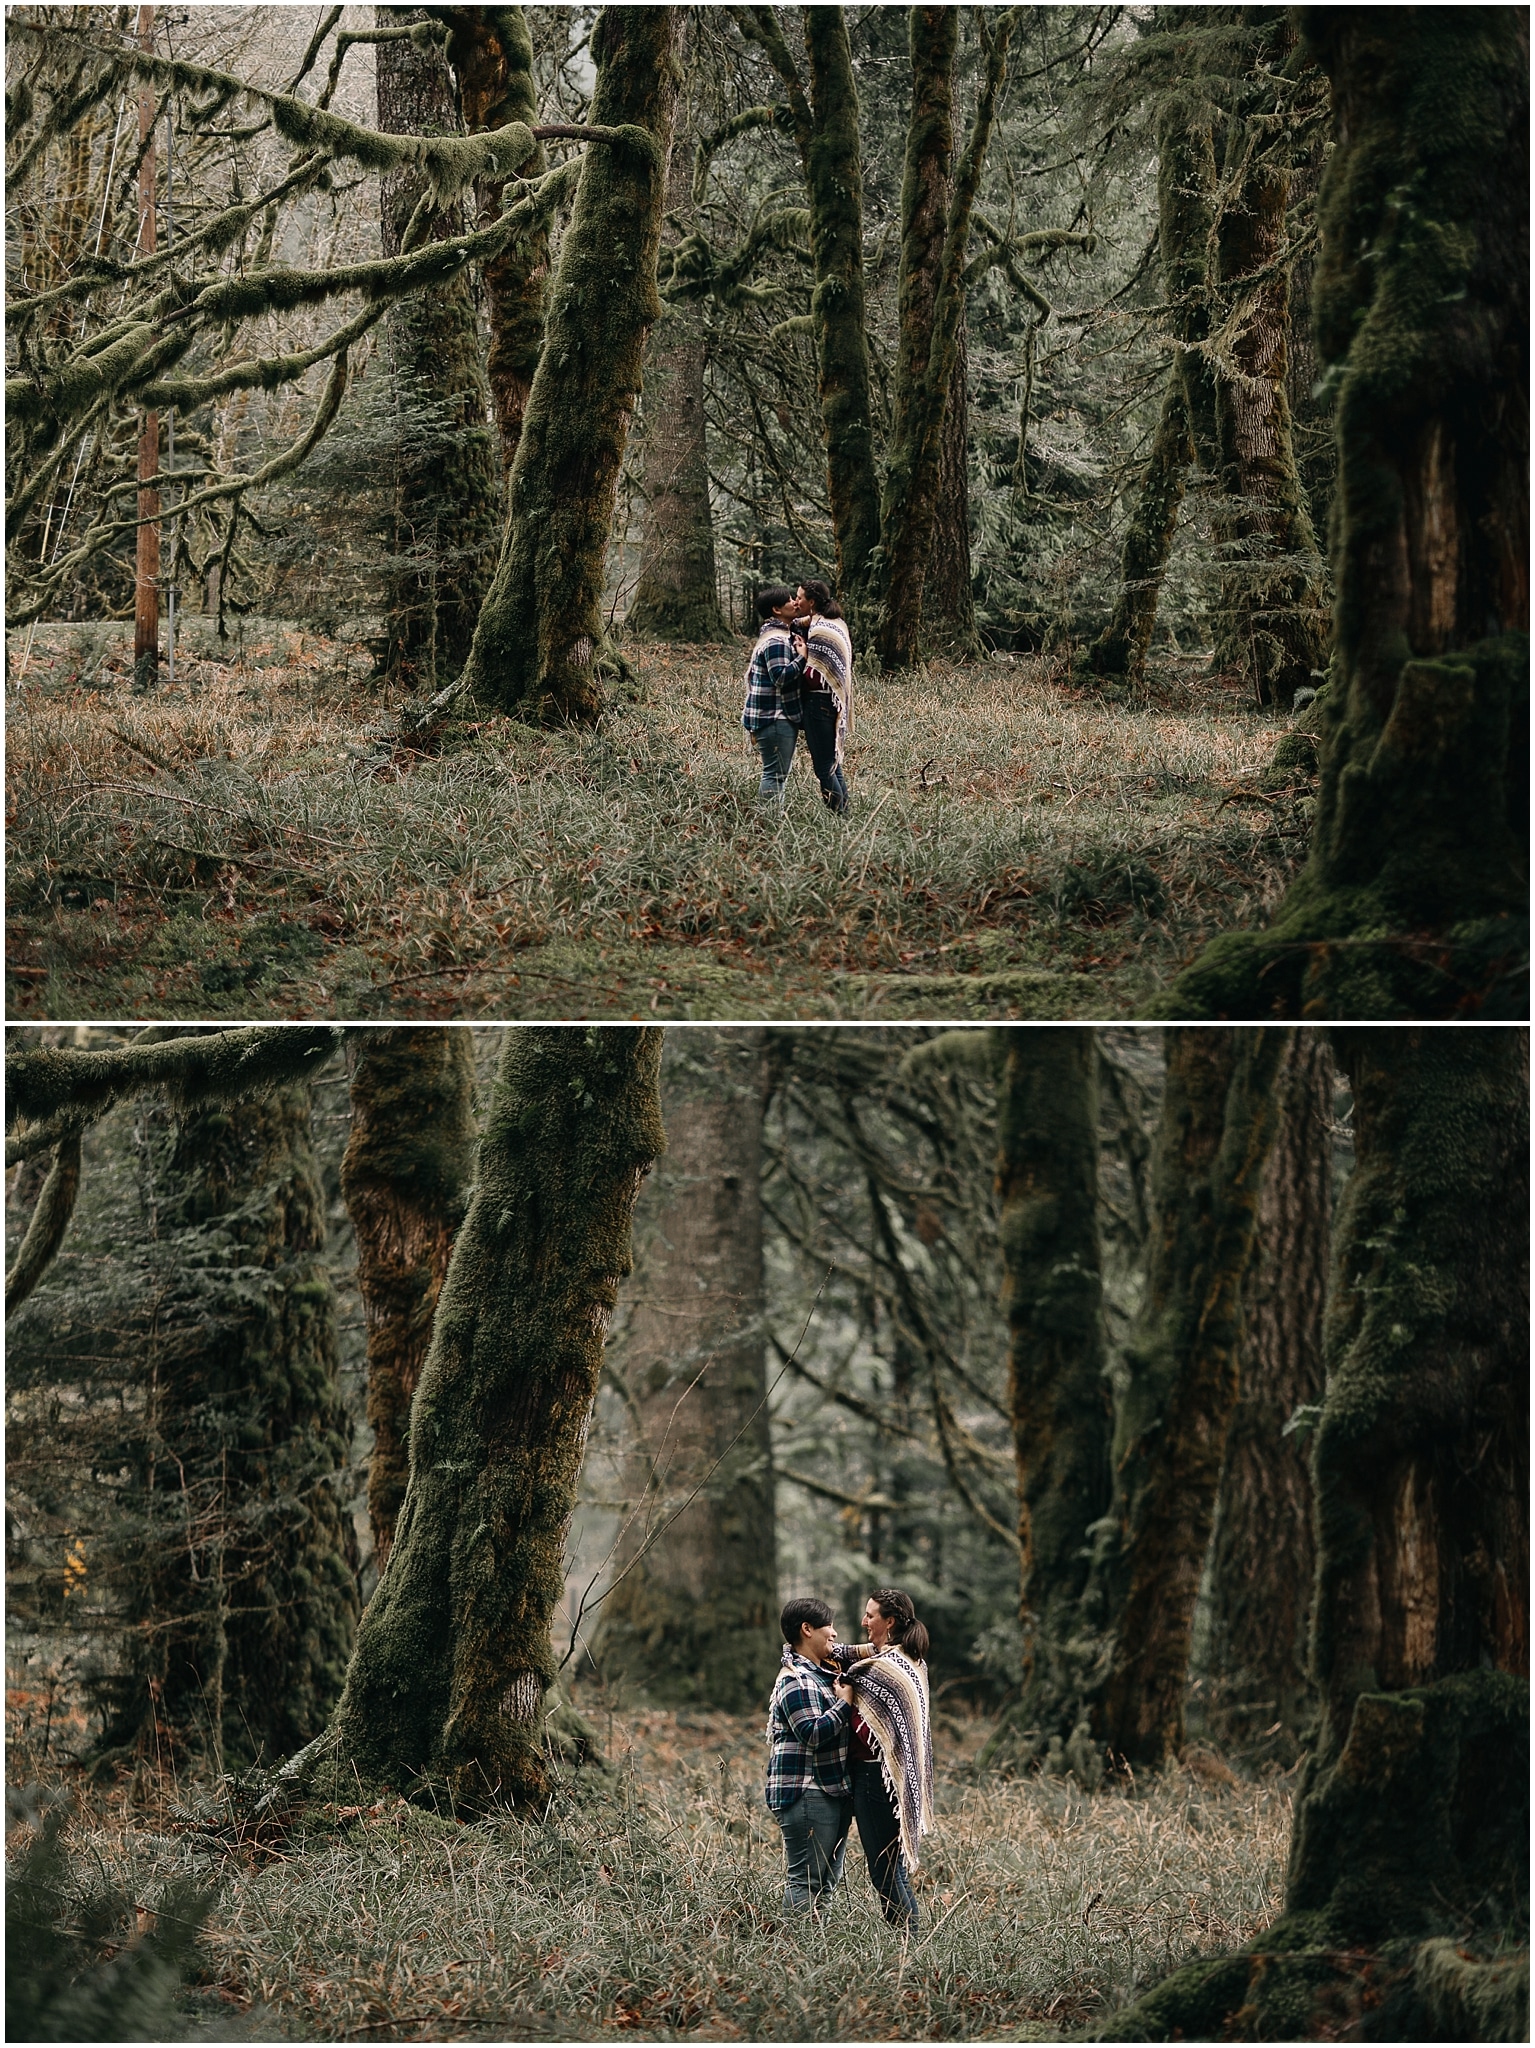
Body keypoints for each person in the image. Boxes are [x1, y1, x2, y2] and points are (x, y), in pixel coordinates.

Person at [833, 1588, 933, 1931]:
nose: (863, 1621)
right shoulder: (910, 1660)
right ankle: (911, 1944)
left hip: (877, 1780)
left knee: (885, 1872)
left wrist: (846, 1700)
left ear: (889, 1621)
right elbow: (844, 1653)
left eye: (870, 1615)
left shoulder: (882, 1669)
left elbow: (870, 1734)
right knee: (896, 1870)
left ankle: (907, 1945)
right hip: (897, 1781)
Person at [764, 1596, 855, 1914]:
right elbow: (813, 1733)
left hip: (830, 1791)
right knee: (805, 1882)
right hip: (806, 1792)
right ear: (807, 1629)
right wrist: (846, 1703)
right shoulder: (795, 1679)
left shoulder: (822, 1675)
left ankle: (816, 1955)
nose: (834, 1633)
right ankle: (794, 1956)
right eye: (828, 1626)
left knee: (826, 1885)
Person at [740, 584, 806, 807]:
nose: (795, 603)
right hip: (775, 717)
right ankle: (769, 827)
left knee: (775, 774)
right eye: (790, 600)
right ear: (777, 610)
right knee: (775, 775)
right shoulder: (776, 640)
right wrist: (802, 657)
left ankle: (768, 825)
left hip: (772, 716)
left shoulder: (779, 633)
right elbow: (780, 676)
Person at [793, 579, 854, 814]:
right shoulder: (836, 623)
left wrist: (804, 654)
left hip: (818, 703)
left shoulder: (819, 631)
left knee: (824, 768)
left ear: (812, 602)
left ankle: (839, 815)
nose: (796, 601)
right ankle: (845, 814)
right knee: (833, 764)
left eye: (799, 597)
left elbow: (814, 676)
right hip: (832, 703)